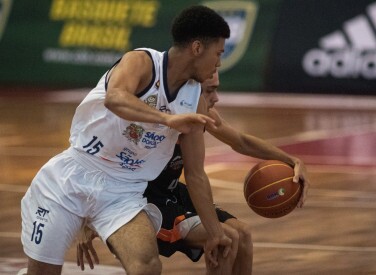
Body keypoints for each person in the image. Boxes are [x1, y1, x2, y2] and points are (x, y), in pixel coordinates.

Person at [20, 5, 234, 275]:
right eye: (218, 53)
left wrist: (215, 232)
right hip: (71, 177)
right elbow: (116, 98)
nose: (219, 63)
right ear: (196, 48)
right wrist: (167, 119)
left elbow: (195, 174)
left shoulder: (194, 101)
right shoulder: (142, 61)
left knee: (146, 266)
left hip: (123, 192)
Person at [76, 71, 310, 274]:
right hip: (145, 201)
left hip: (172, 192)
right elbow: (102, 163)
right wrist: (89, 219)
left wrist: (291, 160)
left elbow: (241, 141)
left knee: (243, 234)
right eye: (210, 91)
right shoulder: (155, 120)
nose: (216, 98)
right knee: (224, 240)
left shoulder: (203, 115)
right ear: (190, 93)